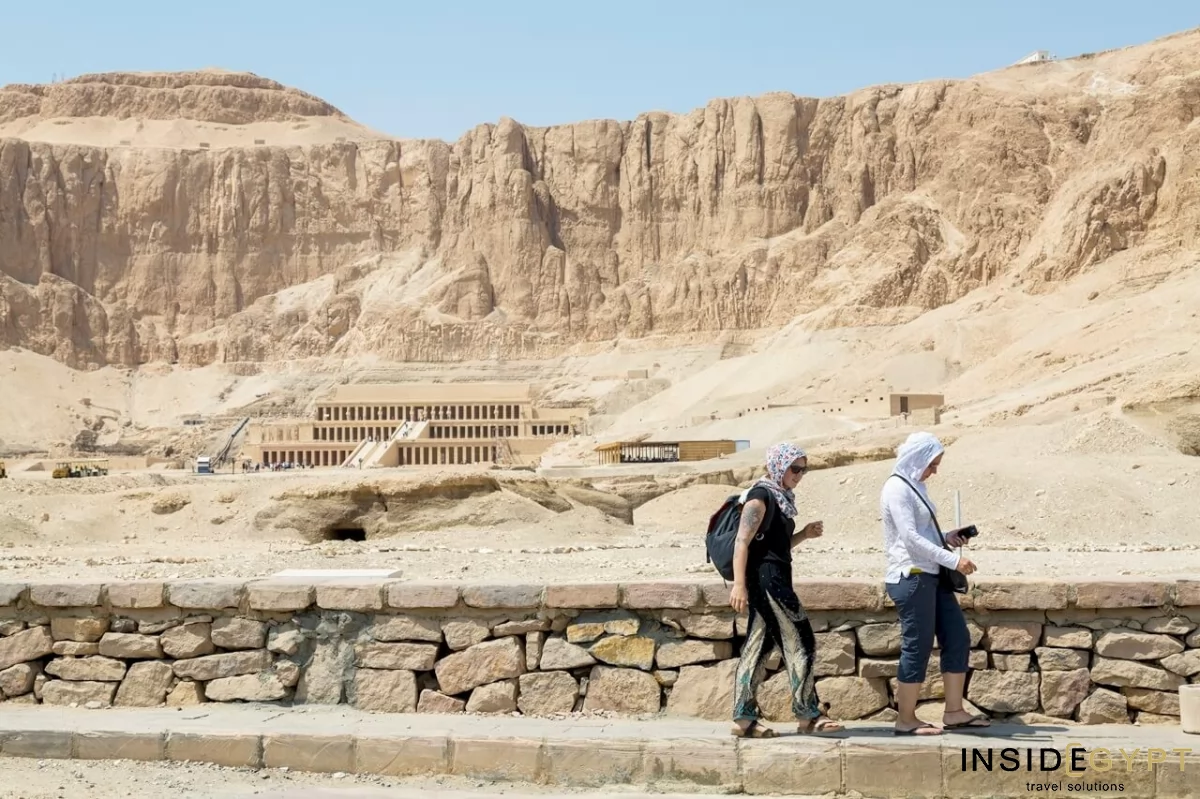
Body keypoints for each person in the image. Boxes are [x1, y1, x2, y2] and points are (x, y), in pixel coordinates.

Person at [729, 442, 842, 738]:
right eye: (795, 468)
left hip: (773, 576)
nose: (799, 474)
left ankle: (743, 718)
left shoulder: (780, 498)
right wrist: (739, 585)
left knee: (758, 647)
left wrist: (803, 534)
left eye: (804, 469)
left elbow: (775, 548)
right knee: (802, 641)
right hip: (768, 582)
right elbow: (742, 542)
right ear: (778, 466)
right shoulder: (760, 496)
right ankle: (808, 714)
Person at [880, 431, 989, 735]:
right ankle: (906, 719)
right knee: (918, 646)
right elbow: (909, 539)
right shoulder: (896, 489)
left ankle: (954, 711)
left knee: (957, 636)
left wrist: (947, 540)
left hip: (932, 574)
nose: (935, 470)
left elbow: (923, 536)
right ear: (917, 459)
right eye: (932, 464)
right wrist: (954, 560)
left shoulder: (916, 487)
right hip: (912, 577)